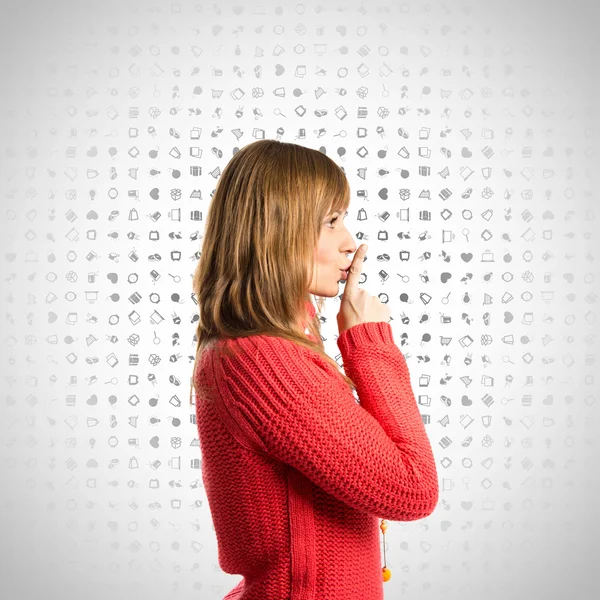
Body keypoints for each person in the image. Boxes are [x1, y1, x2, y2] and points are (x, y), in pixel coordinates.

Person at [190, 139, 439, 599]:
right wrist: (369, 342)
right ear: (276, 230)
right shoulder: (262, 360)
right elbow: (412, 487)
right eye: (331, 221)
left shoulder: (274, 343)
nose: (350, 242)